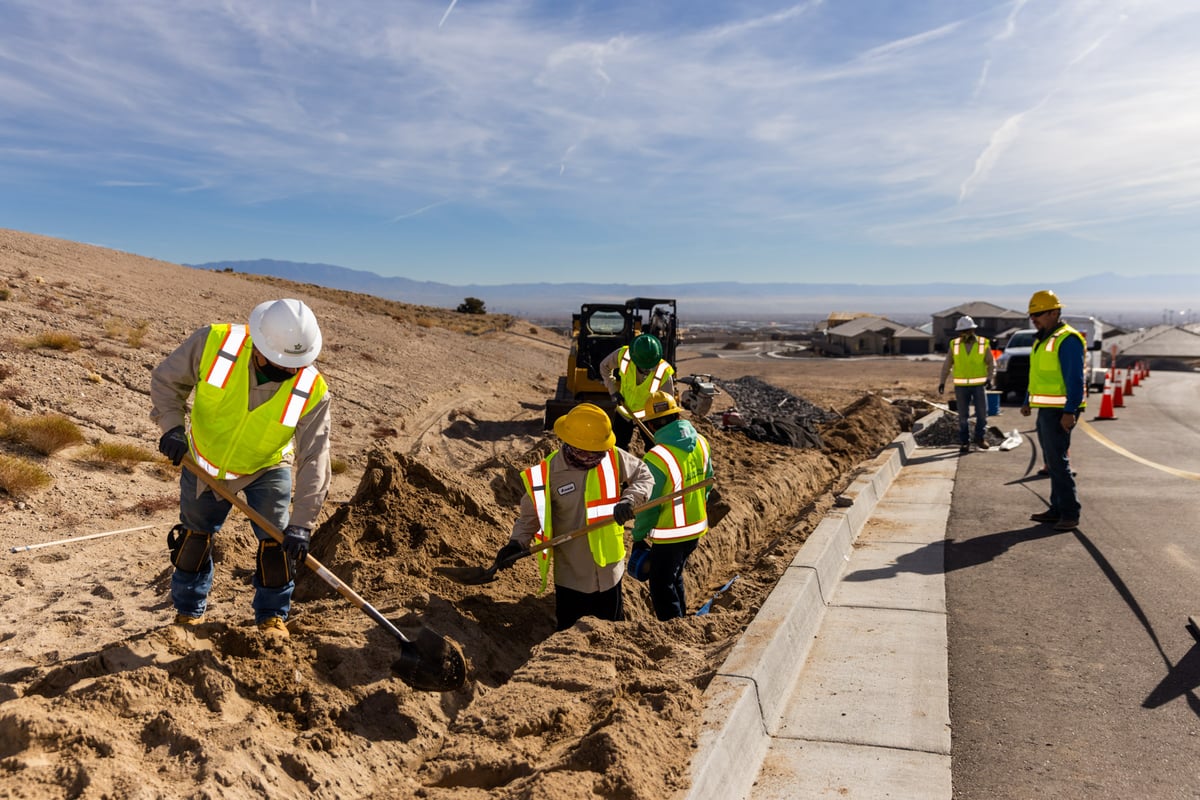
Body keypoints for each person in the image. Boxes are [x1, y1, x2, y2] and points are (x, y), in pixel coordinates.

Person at [151, 299, 332, 639]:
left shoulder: (313, 389)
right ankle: (188, 613)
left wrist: (302, 524)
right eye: (282, 365)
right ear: (259, 346)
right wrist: (172, 427)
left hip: (267, 465)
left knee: (278, 544)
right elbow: (166, 382)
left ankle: (271, 617)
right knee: (194, 539)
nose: (291, 373)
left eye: (297, 365)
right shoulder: (214, 342)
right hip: (205, 461)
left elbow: (316, 457)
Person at [495, 403, 653, 631]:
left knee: (612, 636)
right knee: (571, 637)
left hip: (610, 571)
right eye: (594, 450)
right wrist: (515, 544)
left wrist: (629, 499)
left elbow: (644, 475)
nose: (600, 454)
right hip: (572, 578)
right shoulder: (547, 473)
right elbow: (530, 517)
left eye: (602, 448)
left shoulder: (611, 456)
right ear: (574, 444)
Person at [629, 391, 715, 620]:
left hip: (670, 533)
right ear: (677, 416)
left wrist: (638, 536)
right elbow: (708, 483)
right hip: (696, 527)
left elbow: (649, 505)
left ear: (653, 423)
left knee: (661, 584)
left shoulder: (657, 458)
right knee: (674, 575)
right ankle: (682, 620)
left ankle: (673, 627)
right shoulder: (701, 443)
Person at [1020, 290, 1085, 531]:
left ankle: (1069, 512)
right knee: (1052, 460)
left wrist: (1070, 411)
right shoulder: (1042, 338)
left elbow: (1075, 379)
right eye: (1031, 315)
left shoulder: (1067, 339)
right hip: (1046, 409)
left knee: (1058, 462)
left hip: (1060, 410)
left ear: (1054, 312)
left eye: (1037, 314)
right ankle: (1057, 508)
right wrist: (1028, 399)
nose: (1033, 318)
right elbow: (1038, 375)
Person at [599, 333, 676, 450]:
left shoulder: (664, 374)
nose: (647, 370)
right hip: (624, 412)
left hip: (648, 417)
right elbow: (604, 366)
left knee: (653, 449)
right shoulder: (624, 355)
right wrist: (613, 390)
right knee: (617, 447)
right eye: (644, 367)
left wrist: (661, 427)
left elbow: (668, 406)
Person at [937, 315, 996, 455]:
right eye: (963, 331)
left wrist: (989, 378)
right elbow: (947, 364)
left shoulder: (983, 343)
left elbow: (991, 363)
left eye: (968, 330)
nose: (966, 333)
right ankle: (964, 442)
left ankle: (980, 438)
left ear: (973, 329)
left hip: (979, 385)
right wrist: (942, 381)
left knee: (982, 413)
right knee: (963, 416)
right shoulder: (954, 344)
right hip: (961, 386)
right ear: (960, 332)